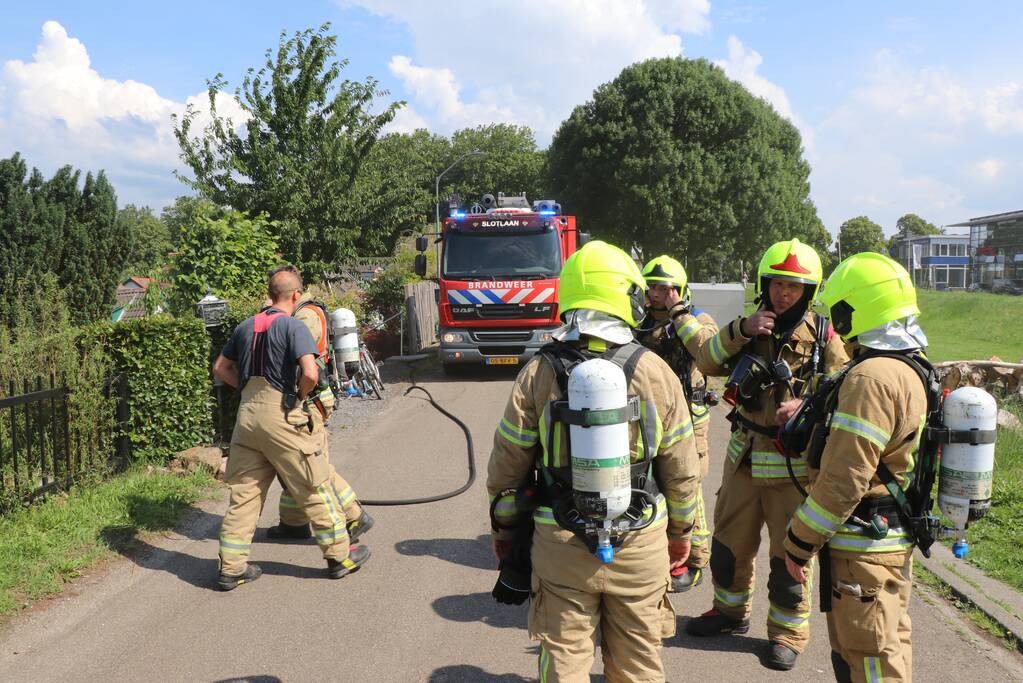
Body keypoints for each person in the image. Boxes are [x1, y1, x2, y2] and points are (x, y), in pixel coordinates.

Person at [487, 240, 700, 682]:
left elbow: (507, 467)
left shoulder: (538, 371)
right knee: (639, 664)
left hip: (560, 540)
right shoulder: (655, 371)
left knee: (564, 661)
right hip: (640, 539)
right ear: (627, 296)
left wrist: (504, 531)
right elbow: (682, 470)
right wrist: (683, 535)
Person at [679, 238, 848, 671]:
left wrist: (808, 405)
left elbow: (848, 390)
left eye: (793, 286)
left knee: (789, 558)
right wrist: (741, 331)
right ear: (764, 283)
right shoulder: (750, 326)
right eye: (776, 283)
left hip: (793, 468)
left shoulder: (825, 337)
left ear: (808, 291)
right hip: (742, 460)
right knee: (728, 546)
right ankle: (729, 614)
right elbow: (708, 360)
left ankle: (787, 635)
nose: (783, 293)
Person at [783, 253, 930, 682]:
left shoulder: (872, 378)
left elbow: (844, 479)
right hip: (883, 541)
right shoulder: (909, 363)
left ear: (856, 310)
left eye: (840, 310)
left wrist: (798, 542)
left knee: (866, 660)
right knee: (886, 651)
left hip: (862, 551)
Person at [212, 265, 371, 590]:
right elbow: (311, 374)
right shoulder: (293, 326)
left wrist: (245, 391)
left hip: (247, 418)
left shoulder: (244, 326)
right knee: (313, 485)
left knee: (244, 496)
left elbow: (220, 368)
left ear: (270, 294)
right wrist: (296, 397)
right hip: (282, 414)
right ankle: (340, 557)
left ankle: (231, 568)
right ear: (296, 295)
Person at [635, 255, 718, 592]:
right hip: (651, 417)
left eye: (664, 288)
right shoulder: (637, 323)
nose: (656, 294)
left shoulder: (697, 319)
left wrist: (678, 313)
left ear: (680, 290)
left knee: (688, 484)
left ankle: (695, 561)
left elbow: (708, 352)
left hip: (690, 418)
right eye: (651, 287)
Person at [265, 291, 374, 544]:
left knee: (316, 466)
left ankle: (354, 516)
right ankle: (293, 523)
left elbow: (300, 362)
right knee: (294, 465)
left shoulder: (305, 316)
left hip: (309, 401)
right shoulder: (302, 312)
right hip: (304, 400)